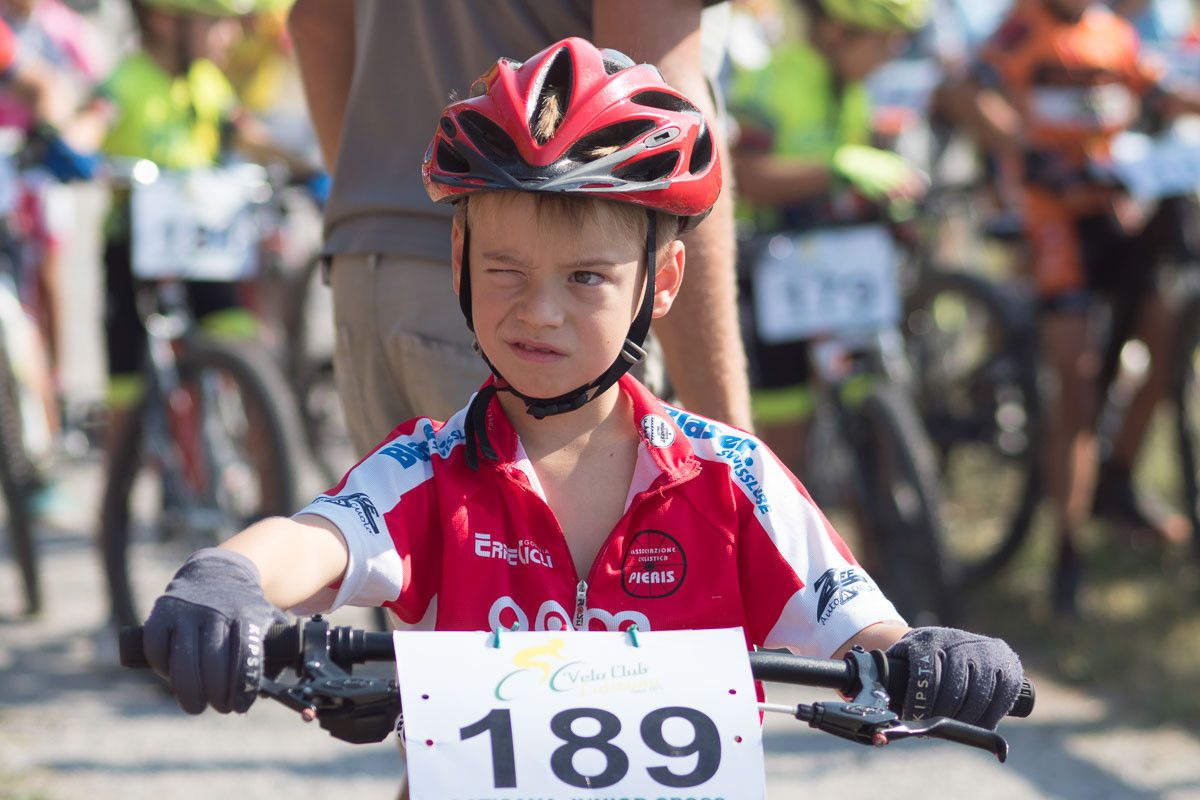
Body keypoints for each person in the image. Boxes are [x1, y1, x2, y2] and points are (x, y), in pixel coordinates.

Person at [139, 40, 1026, 799]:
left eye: (586, 278)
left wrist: (927, 655)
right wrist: (228, 574)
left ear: (661, 283)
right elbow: (317, 540)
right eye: (506, 270)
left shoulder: (732, 478)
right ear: (460, 258)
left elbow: (857, 621)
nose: (541, 312)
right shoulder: (429, 469)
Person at [285, 0, 753, 460]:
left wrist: (374, 189)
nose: (541, 313)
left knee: (400, 506)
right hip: (504, 286)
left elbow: (314, 21)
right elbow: (663, 89)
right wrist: (730, 457)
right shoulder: (553, 306)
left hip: (375, 264)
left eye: (586, 277)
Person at [943, 0, 1200, 614]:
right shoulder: (1022, 27)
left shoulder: (1112, 33)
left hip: (1119, 207)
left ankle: (1117, 481)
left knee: (1165, 346)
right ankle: (1067, 548)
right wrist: (1020, 146)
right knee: (1077, 384)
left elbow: (1160, 90)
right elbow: (965, 91)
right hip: (1054, 217)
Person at [86, 0, 316, 421]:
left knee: (250, 357)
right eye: (214, 25)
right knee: (126, 390)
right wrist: (68, 146)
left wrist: (311, 169)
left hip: (199, 245)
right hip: (135, 249)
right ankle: (119, 458)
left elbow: (247, 135)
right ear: (164, 20)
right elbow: (91, 121)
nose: (229, 37)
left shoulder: (207, 82)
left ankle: (269, 460)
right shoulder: (127, 80)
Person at [726, 0, 930, 467]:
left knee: (871, 391)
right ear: (838, 32)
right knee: (787, 425)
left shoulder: (853, 89)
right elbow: (745, 176)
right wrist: (835, 167)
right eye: (885, 42)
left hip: (834, 260)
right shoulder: (773, 81)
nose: (892, 55)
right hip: (770, 264)